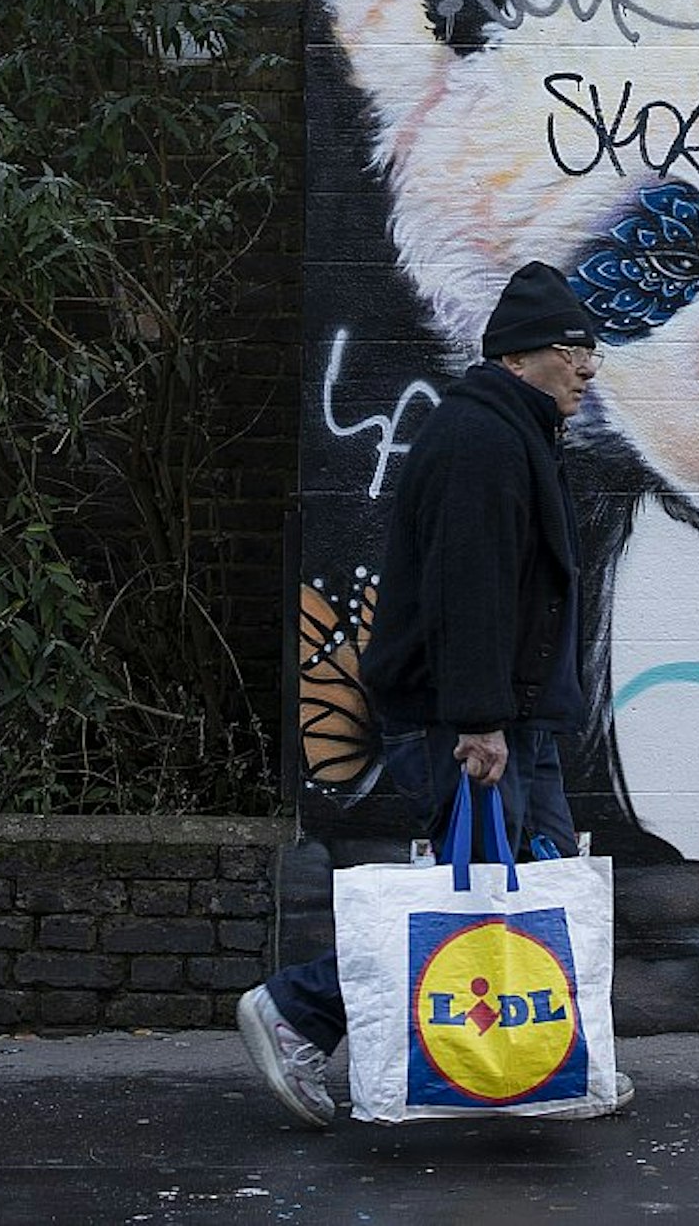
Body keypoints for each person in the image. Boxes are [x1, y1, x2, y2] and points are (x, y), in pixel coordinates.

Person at [239, 258, 617, 1127]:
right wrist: (478, 720)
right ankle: (297, 1009)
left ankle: (561, 1056)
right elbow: (470, 586)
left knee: (548, 883)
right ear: (521, 355)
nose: (590, 366)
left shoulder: (510, 429)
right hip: (473, 720)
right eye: (574, 348)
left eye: (593, 348)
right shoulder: (483, 437)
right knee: (478, 891)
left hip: (513, 716)